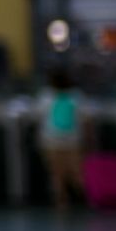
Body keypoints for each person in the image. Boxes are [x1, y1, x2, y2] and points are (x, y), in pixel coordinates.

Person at [38, 69, 85, 210]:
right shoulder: (76, 96)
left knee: (57, 173)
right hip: (72, 139)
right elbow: (85, 118)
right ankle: (88, 198)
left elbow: (38, 114)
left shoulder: (46, 97)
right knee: (76, 172)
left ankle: (62, 202)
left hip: (51, 139)